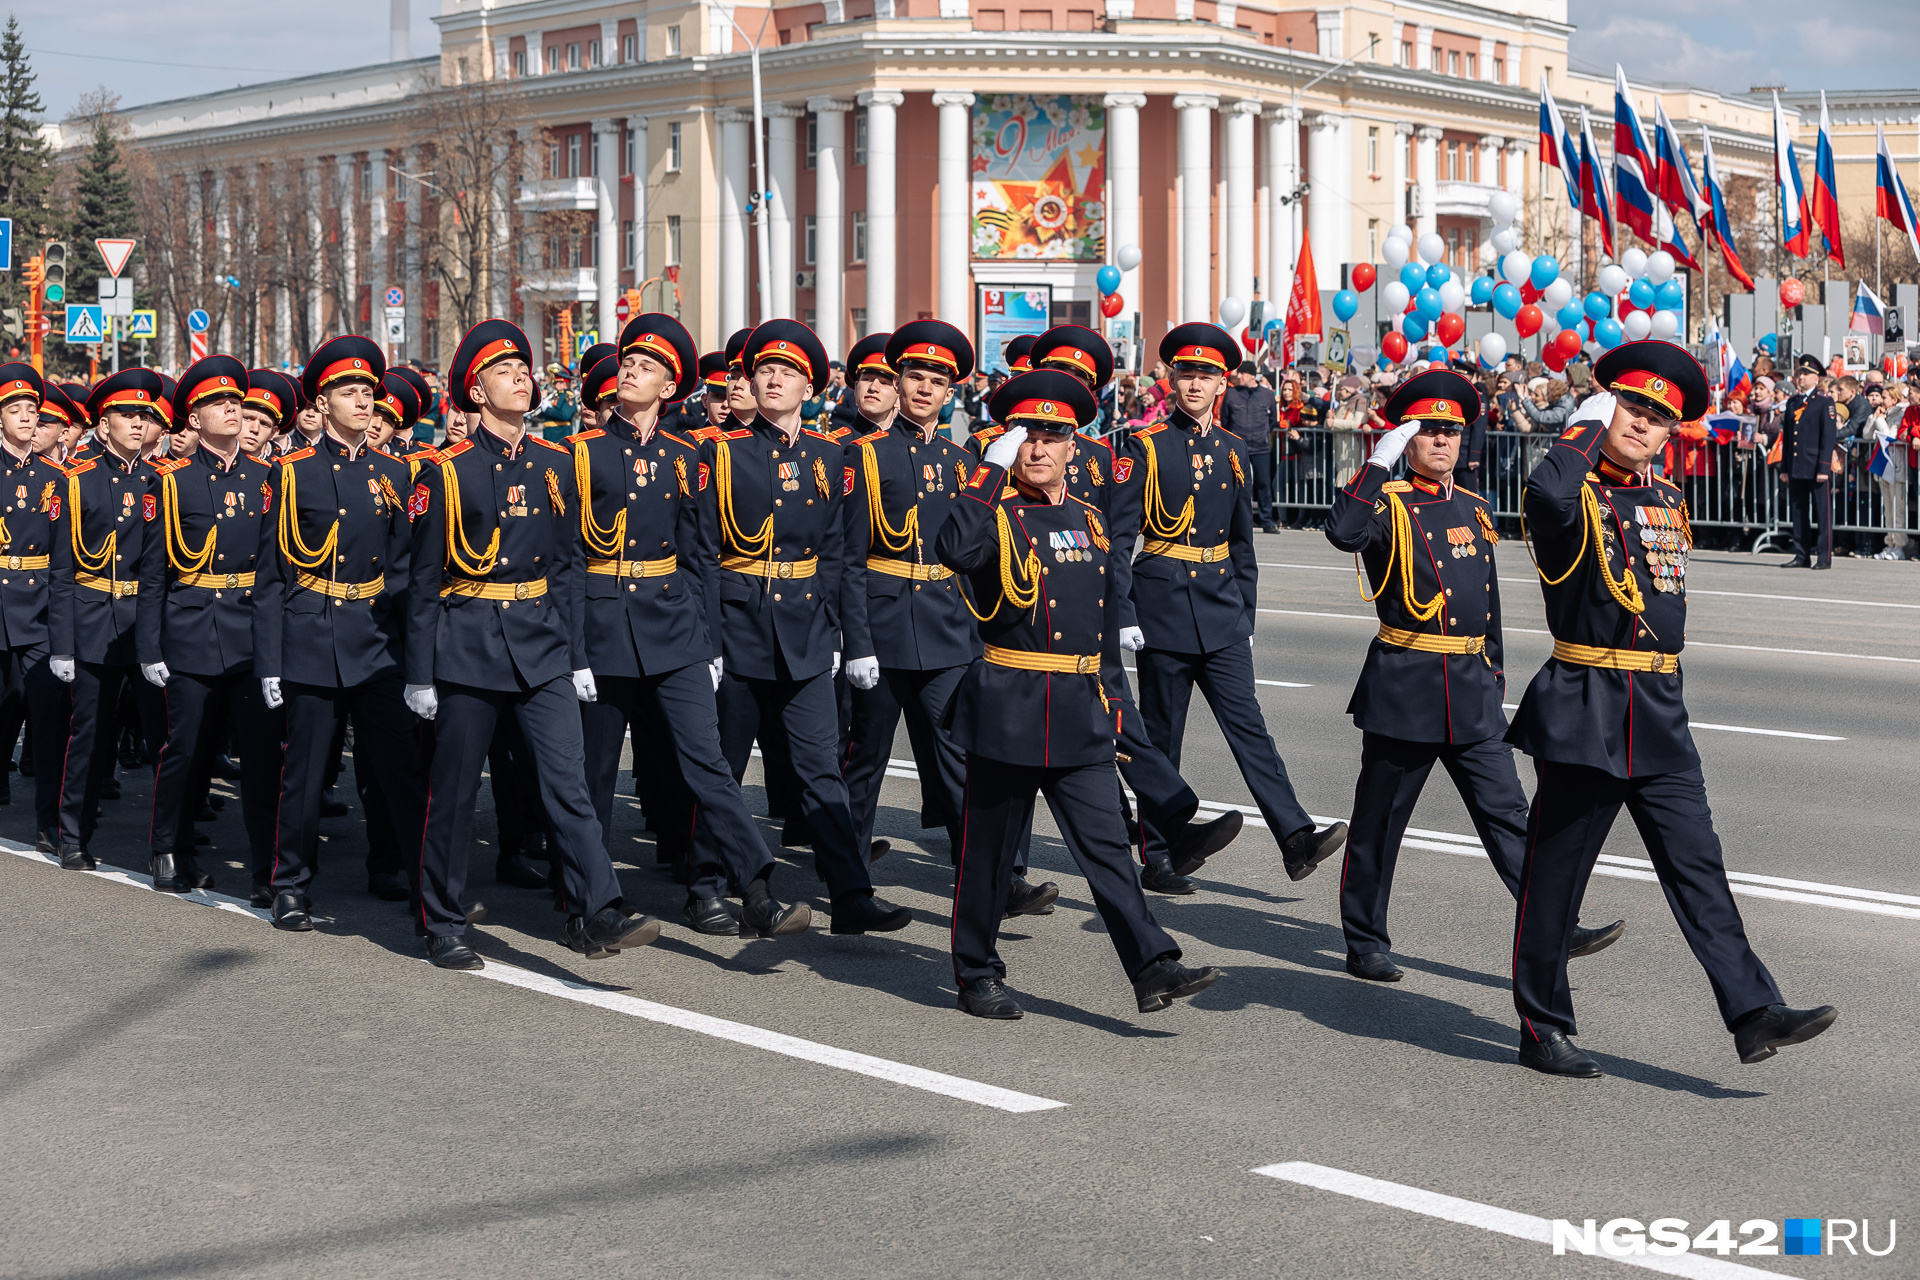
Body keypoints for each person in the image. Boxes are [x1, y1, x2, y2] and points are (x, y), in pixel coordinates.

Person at [1506, 340, 1837, 1076]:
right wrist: (1582, 429)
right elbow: (1548, 496)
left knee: (1699, 867)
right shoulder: (1573, 495)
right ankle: (1541, 1025)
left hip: (1656, 707)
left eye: (1660, 417)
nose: (1644, 424)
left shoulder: (1666, 500)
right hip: (1587, 706)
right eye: (1632, 407)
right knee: (1556, 879)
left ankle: (1753, 1013)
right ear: (1604, 407)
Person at [935, 370, 1224, 1020]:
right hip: (1008, 709)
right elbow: (953, 549)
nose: (1038, 450)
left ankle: (1153, 966)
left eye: (1053, 437)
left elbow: (1095, 635)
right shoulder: (993, 513)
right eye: (1026, 438)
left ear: (1075, 445)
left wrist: (1115, 713)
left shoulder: (1091, 520)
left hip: (1077, 712)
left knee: (1107, 852)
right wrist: (987, 471)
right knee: (986, 857)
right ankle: (976, 971)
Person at [1324, 367, 1621, 981]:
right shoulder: (1387, 506)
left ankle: (1555, 924)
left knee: (1512, 816)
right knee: (1381, 822)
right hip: (1406, 686)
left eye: (1450, 432)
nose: (1440, 442)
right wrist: (1376, 465)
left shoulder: (1476, 508)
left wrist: (1495, 674)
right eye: (1427, 431)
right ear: (1408, 439)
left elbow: (1488, 603)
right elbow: (1342, 532)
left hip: (1470, 688)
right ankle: (1364, 938)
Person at [406, 319, 662, 969]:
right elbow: (424, 581)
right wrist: (420, 674)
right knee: (456, 792)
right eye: (504, 371)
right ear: (476, 390)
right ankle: (442, 918)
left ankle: (594, 909)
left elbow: (571, 566)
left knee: (567, 784)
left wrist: (577, 654)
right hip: (467, 647)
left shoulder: (555, 465)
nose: (521, 376)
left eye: (525, 368)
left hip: (542, 645)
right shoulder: (446, 471)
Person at [570, 317, 810, 938]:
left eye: (645, 367)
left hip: (672, 625)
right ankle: (589, 903)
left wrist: (709, 643)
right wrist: (572, 648)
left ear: (670, 385)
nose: (629, 371)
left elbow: (701, 554)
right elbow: (568, 557)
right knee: (593, 771)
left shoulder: (685, 457)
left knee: (708, 764)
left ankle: (755, 891)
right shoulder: (580, 453)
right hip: (601, 626)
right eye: (626, 363)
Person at [1110, 323, 1348, 889]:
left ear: (1222, 382)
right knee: (1161, 737)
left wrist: (1246, 614)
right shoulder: (1143, 447)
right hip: (1162, 606)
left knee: (1251, 729)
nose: (1195, 383)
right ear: (1171, 379)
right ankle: (1158, 854)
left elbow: (1242, 542)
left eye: (1206, 374)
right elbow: (1121, 540)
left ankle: (1295, 837)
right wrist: (1122, 612)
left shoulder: (1234, 451)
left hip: (1220, 608)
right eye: (1186, 373)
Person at [700, 319, 913, 935]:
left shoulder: (831, 457)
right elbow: (705, 550)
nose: (771, 378)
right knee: (725, 763)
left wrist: (853, 640)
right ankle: (708, 884)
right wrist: (709, 639)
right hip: (738, 624)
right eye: (763, 369)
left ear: (811, 387)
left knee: (821, 766)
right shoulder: (722, 450)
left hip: (806, 628)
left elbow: (845, 556)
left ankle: (850, 893)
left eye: (787, 371)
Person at [252, 338, 427, 923]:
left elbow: (405, 571)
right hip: (312, 635)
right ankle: (290, 883)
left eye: (367, 394)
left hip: (377, 639)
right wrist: (269, 661)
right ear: (321, 404)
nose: (362, 402)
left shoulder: (396, 472)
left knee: (395, 767)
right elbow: (272, 575)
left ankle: (403, 869)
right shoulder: (293, 471)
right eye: (348, 393)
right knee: (303, 771)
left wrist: (415, 653)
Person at [135, 357, 285, 898]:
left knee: (263, 755)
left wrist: (275, 653)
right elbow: (152, 574)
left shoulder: (268, 479)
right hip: (191, 630)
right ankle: (169, 847)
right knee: (186, 750)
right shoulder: (170, 481)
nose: (232, 409)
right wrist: (149, 646)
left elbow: (274, 573)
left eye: (236, 403)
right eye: (218, 404)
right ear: (192, 420)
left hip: (248, 633)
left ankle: (270, 868)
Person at [841, 320, 981, 882]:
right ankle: (849, 874)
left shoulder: (959, 462)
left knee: (955, 755)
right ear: (898, 383)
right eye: (914, 376)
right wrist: (855, 641)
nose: (923, 389)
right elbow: (848, 558)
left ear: (951, 394)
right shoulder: (863, 455)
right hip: (882, 624)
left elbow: (971, 556)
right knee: (866, 757)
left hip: (946, 625)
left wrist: (978, 634)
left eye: (935, 382)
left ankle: (981, 868)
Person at [47, 369, 170, 870]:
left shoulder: (162, 479)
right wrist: (61, 643)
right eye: (126, 415)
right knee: (90, 735)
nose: (138, 423)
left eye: (144, 415)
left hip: (144, 625)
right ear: (103, 424)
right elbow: (60, 570)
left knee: (164, 737)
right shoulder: (75, 479)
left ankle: (168, 840)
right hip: (92, 618)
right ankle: (73, 832)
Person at [0, 365, 70, 852]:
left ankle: (51, 820)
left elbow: (63, 555)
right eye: (15, 410)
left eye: (32, 411)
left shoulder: (56, 478)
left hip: (40, 607)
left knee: (49, 715)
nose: (26, 418)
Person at [1779, 353, 1838, 569]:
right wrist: (1785, 467)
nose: (1800, 377)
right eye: (1799, 373)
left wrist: (1824, 466)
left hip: (1816, 466)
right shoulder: (1793, 402)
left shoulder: (1824, 402)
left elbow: (1828, 437)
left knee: (1823, 513)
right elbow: (1788, 438)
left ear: (1817, 379)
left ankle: (1824, 557)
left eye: (1805, 374)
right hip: (1797, 465)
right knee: (1798, 512)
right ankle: (1802, 555)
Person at [1222, 364, 1277, 534]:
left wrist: (1264, 435)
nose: (1238, 376)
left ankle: (1267, 521)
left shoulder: (1267, 395)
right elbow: (1225, 419)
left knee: (1263, 484)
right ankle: (1239, 520)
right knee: (1238, 484)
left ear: (1252, 375)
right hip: (1238, 447)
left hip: (1261, 447)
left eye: (1242, 373)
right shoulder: (1231, 393)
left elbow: (1273, 420)